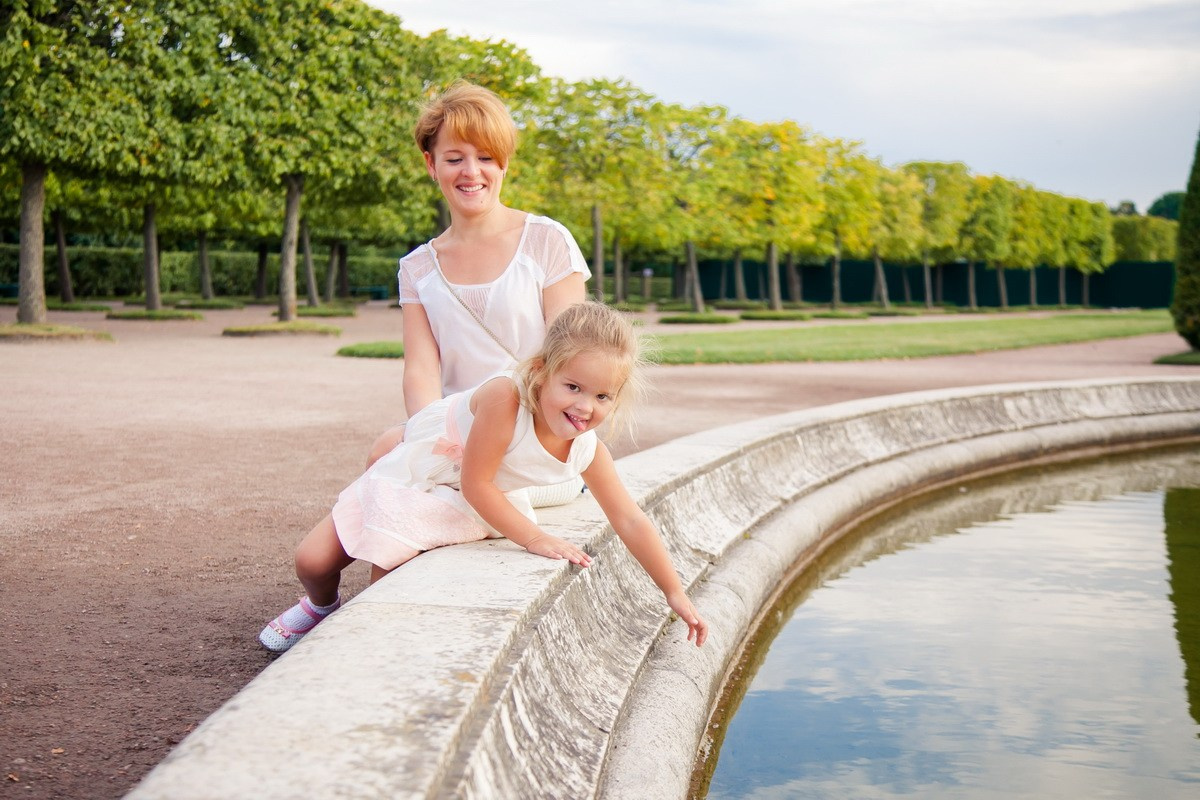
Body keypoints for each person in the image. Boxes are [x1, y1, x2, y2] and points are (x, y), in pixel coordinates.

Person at [259, 302, 708, 653]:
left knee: (388, 569)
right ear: (540, 373)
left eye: (603, 395)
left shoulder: (588, 449)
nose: (585, 407)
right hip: (428, 471)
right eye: (573, 387)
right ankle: (322, 605)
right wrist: (535, 538)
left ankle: (366, 645)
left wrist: (675, 592)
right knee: (312, 562)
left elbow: (629, 519)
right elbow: (478, 484)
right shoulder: (505, 398)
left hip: (470, 493)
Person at [366, 81, 590, 505]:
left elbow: (569, 362)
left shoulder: (547, 241)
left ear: (504, 163)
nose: (471, 171)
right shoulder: (416, 268)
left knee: (402, 477)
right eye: (455, 158)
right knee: (318, 556)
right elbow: (421, 372)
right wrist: (435, 438)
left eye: (485, 157)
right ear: (431, 165)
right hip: (454, 436)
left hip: (535, 441)